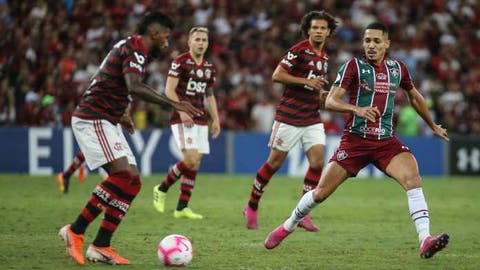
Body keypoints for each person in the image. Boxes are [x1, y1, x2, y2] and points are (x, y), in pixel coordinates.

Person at [264, 22, 450, 259]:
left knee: (413, 178)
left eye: (376, 41)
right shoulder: (353, 66)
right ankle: (287, 226)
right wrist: (357, 109)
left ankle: (425, 239)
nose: (370, 46)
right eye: (367, 41)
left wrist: (432, 124)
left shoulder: (397, 68)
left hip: (385, 141)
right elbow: (331, 101)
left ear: (387, 44)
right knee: (320, 193)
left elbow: (414, 96)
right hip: (355, 142)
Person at [58, 12, 201, 265]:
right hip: (93, 116)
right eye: (166, 36)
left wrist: (123, 112)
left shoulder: (133, 48)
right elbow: (134, 85)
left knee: (133, 181)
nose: (167, 42)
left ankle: (101, 245)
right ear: (154, 33)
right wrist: (175, 104)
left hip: (108, 118)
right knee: (121, 176)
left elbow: (112, 81)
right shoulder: (135, 47)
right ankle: (75, 230)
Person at [243, 11, 338, 231]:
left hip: (312, 116)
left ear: (328, 32)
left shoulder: (324, 56)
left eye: (322, 28)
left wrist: (320, 93)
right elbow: (277, 75)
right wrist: (307, 81)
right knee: (274, 164)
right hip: (289, 117)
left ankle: (303, 213)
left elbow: (312, 85)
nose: (318, 31)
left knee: (317, 162)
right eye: (314, 27)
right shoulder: (298, 50)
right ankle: (252, 205)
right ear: (308, 30)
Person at [153, 27, 220, 219]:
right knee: (190, 159)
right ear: (189, 42)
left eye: (204, 40)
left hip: (200, 118)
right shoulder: (180, 62)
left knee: (195, 163)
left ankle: (182, 207)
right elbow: (169, 90)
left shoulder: (209, 67)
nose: (201, 43)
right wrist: (181, 109)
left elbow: (209, 95)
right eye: (197, 39)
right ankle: (161, 188)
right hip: (183, 116)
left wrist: (216, 118)